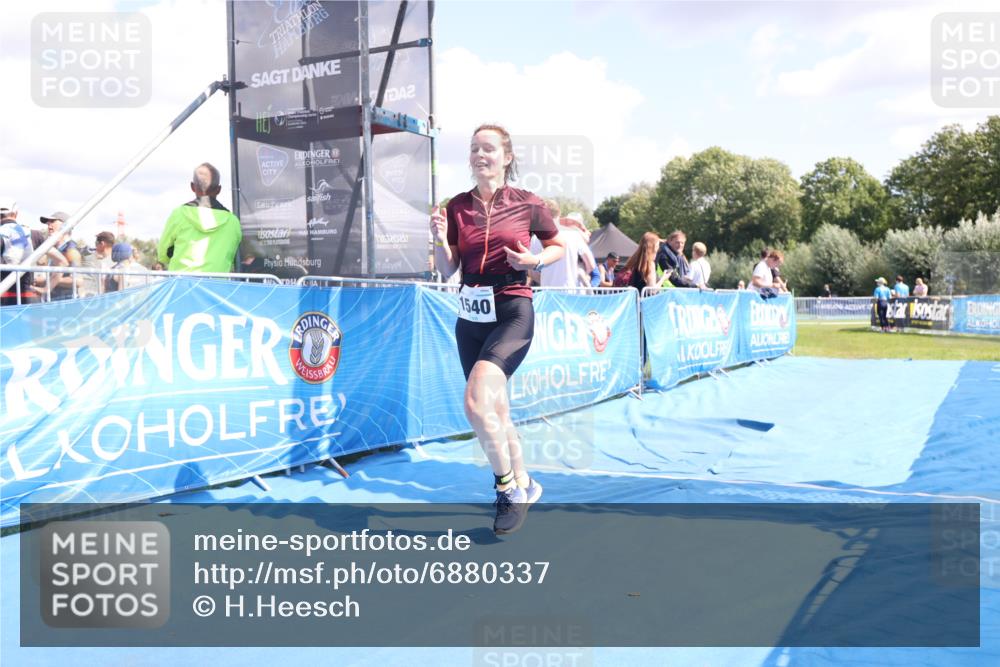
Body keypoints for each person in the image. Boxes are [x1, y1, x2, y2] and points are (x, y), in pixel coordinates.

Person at [430, 124, 564, 535]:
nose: (479, 155)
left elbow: (557, 245)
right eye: (473, 149)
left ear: (507, 157)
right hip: (470, 316)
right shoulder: (456, 206)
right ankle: (525, 480)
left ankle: (506, 489)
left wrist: (535, 262)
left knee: (474, 402)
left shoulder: (527, 203)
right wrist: (440, 242)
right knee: (496, 409)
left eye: (488, 148)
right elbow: (449, 269)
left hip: (511, 310)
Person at [158, 163, 242, 273]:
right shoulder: (233, 222)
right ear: (219, 189)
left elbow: (163, 255)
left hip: (181, 286)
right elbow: (235, 258)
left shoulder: (178, 214)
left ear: (192, 187)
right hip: (216, 288)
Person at [1, 199, 41, 305]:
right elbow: (61, 261)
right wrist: (46, 288)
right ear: (16, 214)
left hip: (5, 295)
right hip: (29, 293)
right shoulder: (35, 234)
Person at [42, 212, 83, 300]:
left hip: (67, 304)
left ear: (65, 225)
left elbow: (78, 281)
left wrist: (49, 281)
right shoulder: (55, 249)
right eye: (48, 223)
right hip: (55, 303)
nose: (49, 226)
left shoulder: (71, 250)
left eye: (52, 222)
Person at [80, 230, 115, 296]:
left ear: (102, 244)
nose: (95, 246)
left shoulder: (99, 262)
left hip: (100, 300)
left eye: (96, 243)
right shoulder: (117, 260)